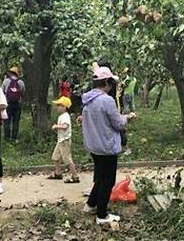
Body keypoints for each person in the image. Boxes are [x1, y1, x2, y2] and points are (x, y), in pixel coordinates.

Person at [81, 66, 137, 225]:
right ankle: (102, 215)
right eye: (110, 82)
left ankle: (90, 205)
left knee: (100, 177)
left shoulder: (88, 99)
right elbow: (118, 123)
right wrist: (128, 117)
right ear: (105, 82)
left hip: (94, 146)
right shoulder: (106, 100)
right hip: (106, 146)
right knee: (108, 181)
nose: (111, 86)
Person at [47, 96, 80, 183]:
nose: (57, 107)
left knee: (67, 159)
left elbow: (65, 126)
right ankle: (58, 173)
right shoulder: (61, 116)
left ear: (64, 107)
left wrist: (56, 126)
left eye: (59, 105)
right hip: (61, 140)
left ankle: (75, 176)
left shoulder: (65, 116)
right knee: (55, 157)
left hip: (64, 140)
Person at [2, 66, 25, 141]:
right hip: (17, 104)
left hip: (8, 104)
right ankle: (14, 138)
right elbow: (23, 92)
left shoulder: (6, 81)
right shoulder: (21, 82)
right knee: (16, 121)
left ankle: (7, 138)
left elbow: (2, 92)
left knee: (7, 121)